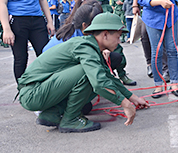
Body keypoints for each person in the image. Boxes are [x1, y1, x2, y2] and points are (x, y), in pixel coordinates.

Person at [18, 12, 149, 133]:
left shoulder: (90, 48)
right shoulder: (85, 47)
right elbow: (99, 83)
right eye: (118, 36)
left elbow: (108, 78)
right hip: (33, 93)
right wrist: (125, 105)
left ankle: (52, 114)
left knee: (96, 74)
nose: (119, 41)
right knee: (89, 75)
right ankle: (71, 119)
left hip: (40, 90)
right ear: (105, 34)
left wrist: (133, 99)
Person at [43, 0, 136, 86]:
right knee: (93, 67)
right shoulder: (77, 41)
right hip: (51, 79)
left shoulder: (73, 28)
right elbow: (91, 67)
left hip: (54, 74)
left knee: (111, 58)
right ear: (85, 25)